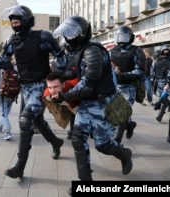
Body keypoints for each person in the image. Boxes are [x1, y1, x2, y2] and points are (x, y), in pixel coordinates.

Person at [52, 16, 133, 189]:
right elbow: (74, 72)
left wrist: (63, 97)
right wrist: (57, 79)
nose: (67, 39)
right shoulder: (78, 51)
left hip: (102, 104)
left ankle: (124, 154)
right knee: (77, 139)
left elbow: (87, 86)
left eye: (70, 35)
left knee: (102, 145)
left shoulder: (93, 51)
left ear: (81, 35)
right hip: (87, 103)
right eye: (66, 35)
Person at [0, 5, 67, 179]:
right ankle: (56, 142)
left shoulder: (43, 36)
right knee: (37, 120)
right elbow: (3, 57)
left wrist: (62, 77)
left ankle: (19, 166)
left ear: (27, 21)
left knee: (25, 121)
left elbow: (61, 56)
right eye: (12, 21)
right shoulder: (12, 40)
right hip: (25, 87)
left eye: (17, 20)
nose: (14, 23)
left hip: (41, 86)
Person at [109, 25, 146, 144]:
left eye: (124, 37)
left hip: (129, 86)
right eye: (118, 37)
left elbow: (139, 71)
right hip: (114, 86)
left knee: (122, 112)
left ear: (130, 37)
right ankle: (129, 125)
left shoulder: (137, 51)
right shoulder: (112, 51)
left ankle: (117, 141)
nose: (121, 39)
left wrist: (122, 75)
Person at [43, 71, 79, 139]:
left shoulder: (75, 86)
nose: (53, 91)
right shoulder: (48, 94)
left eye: (56, 87)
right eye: (50, 87)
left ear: (63, 85)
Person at [0, 62, 15, 140]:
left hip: (3, 94)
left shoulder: (0, 69)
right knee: (5, 112)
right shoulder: (13, 67)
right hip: (12, 93)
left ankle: (8, 132)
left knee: (3, 113)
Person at [152, 44, 170, 122]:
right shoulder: (158, 60)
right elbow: (154, 70)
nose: (166, 52)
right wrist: (152, 80)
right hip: (159, 80)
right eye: (164, 50)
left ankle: (160, 115)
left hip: (169, 81)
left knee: (163, 97)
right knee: (163, 96)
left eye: (167, 51)